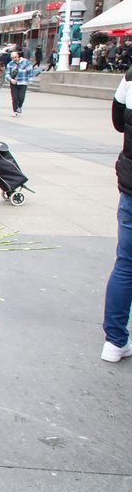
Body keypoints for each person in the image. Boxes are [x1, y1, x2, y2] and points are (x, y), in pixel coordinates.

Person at [103, 65, 132, 362]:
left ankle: (114, 340)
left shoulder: (129, 77)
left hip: (131, 184)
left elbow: (118, 122)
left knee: (126, 263)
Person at [6, 50, 33, 116]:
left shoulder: (25, 62)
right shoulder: (10, 64)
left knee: (21, 97)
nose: (14, 59)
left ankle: (19, 107)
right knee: (14, 98)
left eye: (15, 57)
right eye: (12, 58)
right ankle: (15, 111)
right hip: (14, 83)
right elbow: (7, 74)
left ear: (18, 56)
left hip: (23, 82)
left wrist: (30, 80)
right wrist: (11, 79)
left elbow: (30, 71)